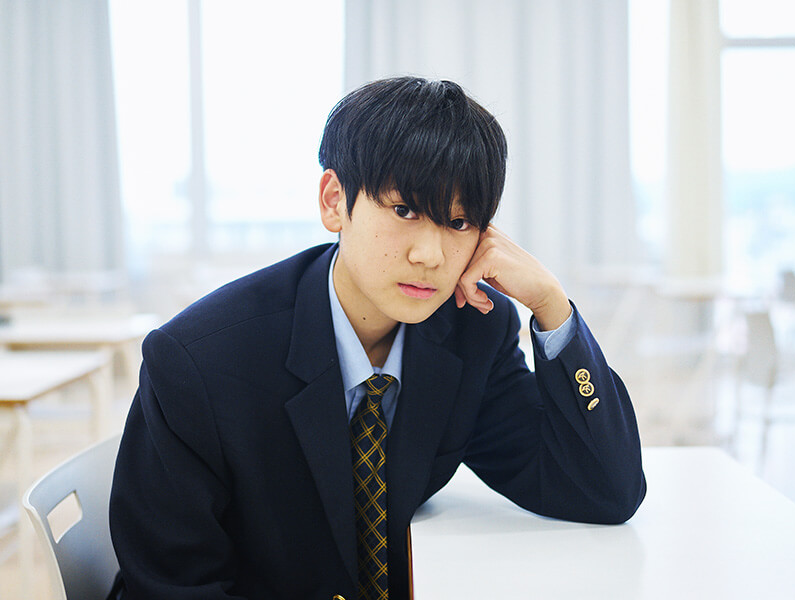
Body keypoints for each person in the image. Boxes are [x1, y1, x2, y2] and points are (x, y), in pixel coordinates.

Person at [108, 76, 646, 600]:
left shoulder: (471, 329)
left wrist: (551, 305)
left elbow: (603, 491)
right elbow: (173, 585)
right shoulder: (198, 361)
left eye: (459, 223)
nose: (429, 255)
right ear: (333, 201)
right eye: (405, 210)